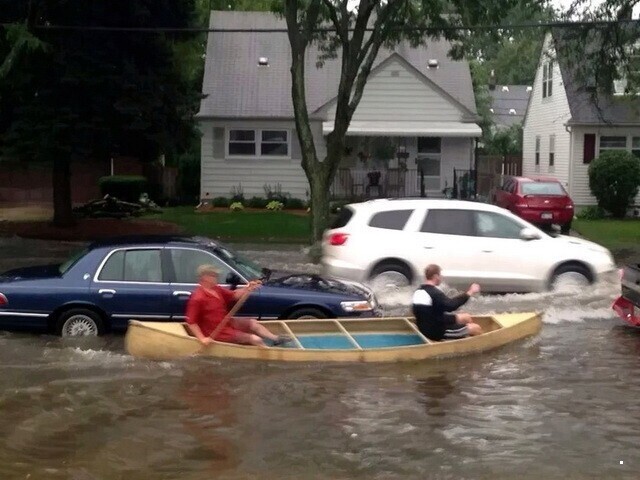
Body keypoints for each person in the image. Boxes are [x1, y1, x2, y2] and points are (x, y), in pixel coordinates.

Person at [185, 264, 290, 347]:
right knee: (255, 339)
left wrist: (248, 288)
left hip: (227, 322)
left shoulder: (216, 289)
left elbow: (234, 295)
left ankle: (275, 339)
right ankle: (270, 353)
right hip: (217, 332)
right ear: (205, 277)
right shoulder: (197, 297)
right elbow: (191, 322)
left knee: (252, 323)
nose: (217, 277)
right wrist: (203, 339)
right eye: (214, 275)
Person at [412, 264, 482, 341]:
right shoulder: (434, 293)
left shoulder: (418, 291)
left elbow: (424, 312)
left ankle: (463, 336)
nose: (441, 278)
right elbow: (451, 306)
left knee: (466, 317)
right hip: (436, 332)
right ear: (436, 276)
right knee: (476, 328)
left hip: (427, 325)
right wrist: (470, 292)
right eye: (440, 275)